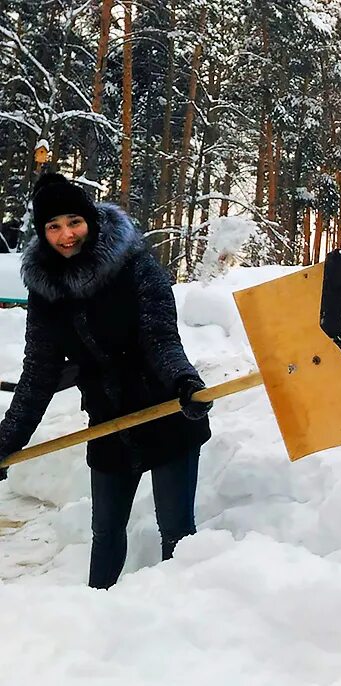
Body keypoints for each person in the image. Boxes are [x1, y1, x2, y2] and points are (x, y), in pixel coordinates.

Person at [0, 173, 213, 589]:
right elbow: (38, 373)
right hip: (109, 421)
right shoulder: (46, 289)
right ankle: (98, 612)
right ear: (42, 233)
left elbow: (160, 339)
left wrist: (184, 382)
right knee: (106, 531)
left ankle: (181, 614)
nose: (66, 235)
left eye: (73, 221)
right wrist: (7, 440)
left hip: (167, 410)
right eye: (53, 227)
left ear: (91, 219)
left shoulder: (135, 266)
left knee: (176, 530)